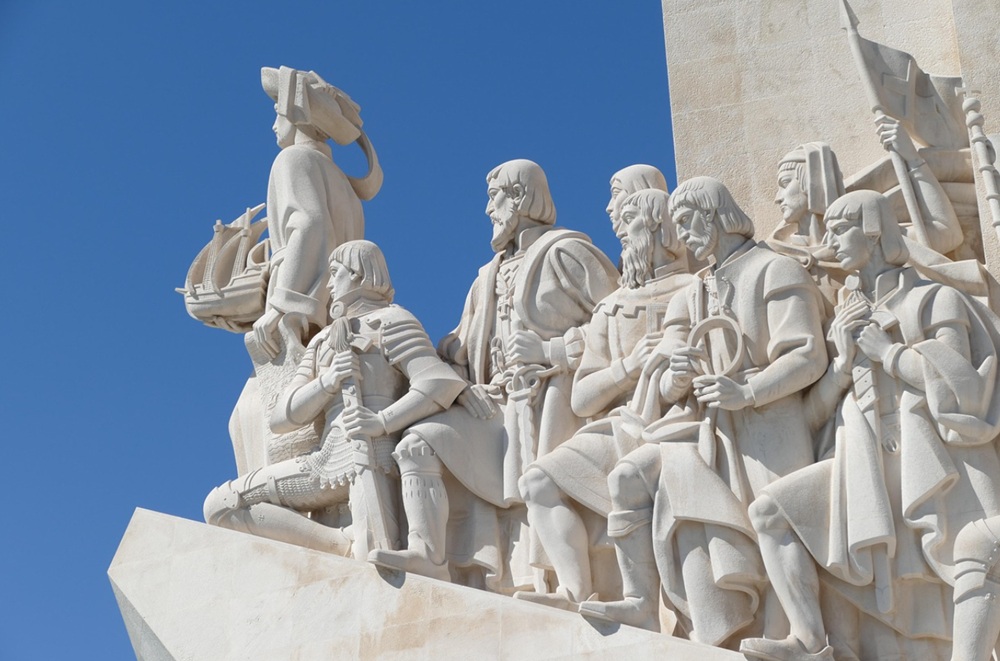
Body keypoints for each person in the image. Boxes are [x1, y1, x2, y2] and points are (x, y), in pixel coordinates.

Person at [741, 191, 1000, 661]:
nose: (830, 241)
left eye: (841, 229)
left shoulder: (935, 299)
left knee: (975, 553)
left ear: (874, 230)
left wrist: (889, 353)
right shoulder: (845, 316)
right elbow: (813, 416)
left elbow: (963, 389)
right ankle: (810, 642)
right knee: (771, 513)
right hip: (862, 458)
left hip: (934, 455)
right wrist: (841, 364)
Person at [579, 177, 828, 647]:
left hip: (768, 423)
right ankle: (644, 602)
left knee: (775, 522)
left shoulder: (775, 270)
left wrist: (747, 391)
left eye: (687, 221)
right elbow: (667, 375)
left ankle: (807, 639)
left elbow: (807, 355)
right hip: (708, 429)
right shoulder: (690, 295)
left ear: (712, 214)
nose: (681, 235)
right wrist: (675, 376)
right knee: (630, 477)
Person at [370, 159, 619, 590]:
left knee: (543, 489)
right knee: (417, 444)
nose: (488, 209)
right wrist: (456, 385)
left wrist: (553, 350)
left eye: (494, 197)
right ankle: (427, 555)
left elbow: (619, 320)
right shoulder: (485, 278)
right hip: (495, 405)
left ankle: (566, 585)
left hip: (551, 400)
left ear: (519, 197)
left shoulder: (565, 252)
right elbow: (457, 351)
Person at [203, 240, 466, 560]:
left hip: (374, 453)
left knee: (373, 554)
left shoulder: (391, 321)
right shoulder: (322, 341)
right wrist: (327, 382)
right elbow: (282, 417)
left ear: (358, 274)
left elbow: (438, 383)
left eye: (335, 273)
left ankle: (355, 544)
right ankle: (340, 544)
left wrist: (381, 422)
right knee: (221, 505)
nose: (328, 284)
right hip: (326, 458)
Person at [517, 187, 693, 610]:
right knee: (537, 481)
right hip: (620, 424)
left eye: (631, 223)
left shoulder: (694, 289)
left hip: (677, 420)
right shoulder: (611, 308)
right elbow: (582, 399)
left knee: (627, 480)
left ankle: (641, 601)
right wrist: (628, 367)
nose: (622, 235)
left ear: (659, 227)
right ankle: (575, 591)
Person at [253, 66, 383, 358]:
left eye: (278, 113)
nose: (274, 125)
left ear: (297, 116)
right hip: (334, 309)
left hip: (296, 305)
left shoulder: (292, 158)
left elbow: (310, 226)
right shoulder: (346, 187)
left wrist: (281, 306)